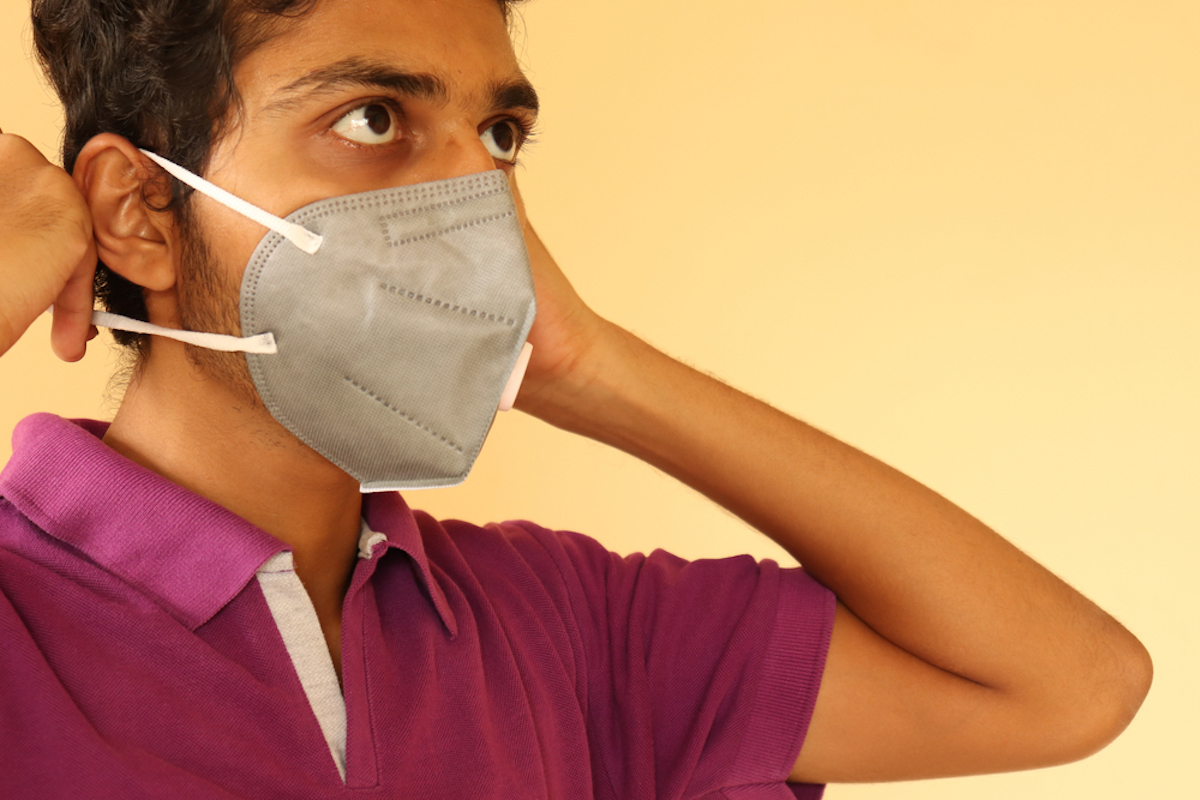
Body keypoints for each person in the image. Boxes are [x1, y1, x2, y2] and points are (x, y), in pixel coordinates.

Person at [0, 0, 1151, 797]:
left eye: (499, 135)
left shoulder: (561, 627)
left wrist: (587, 365)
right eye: (374, 119)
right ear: (140, 213)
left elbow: (1064, 683)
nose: (475, 205)